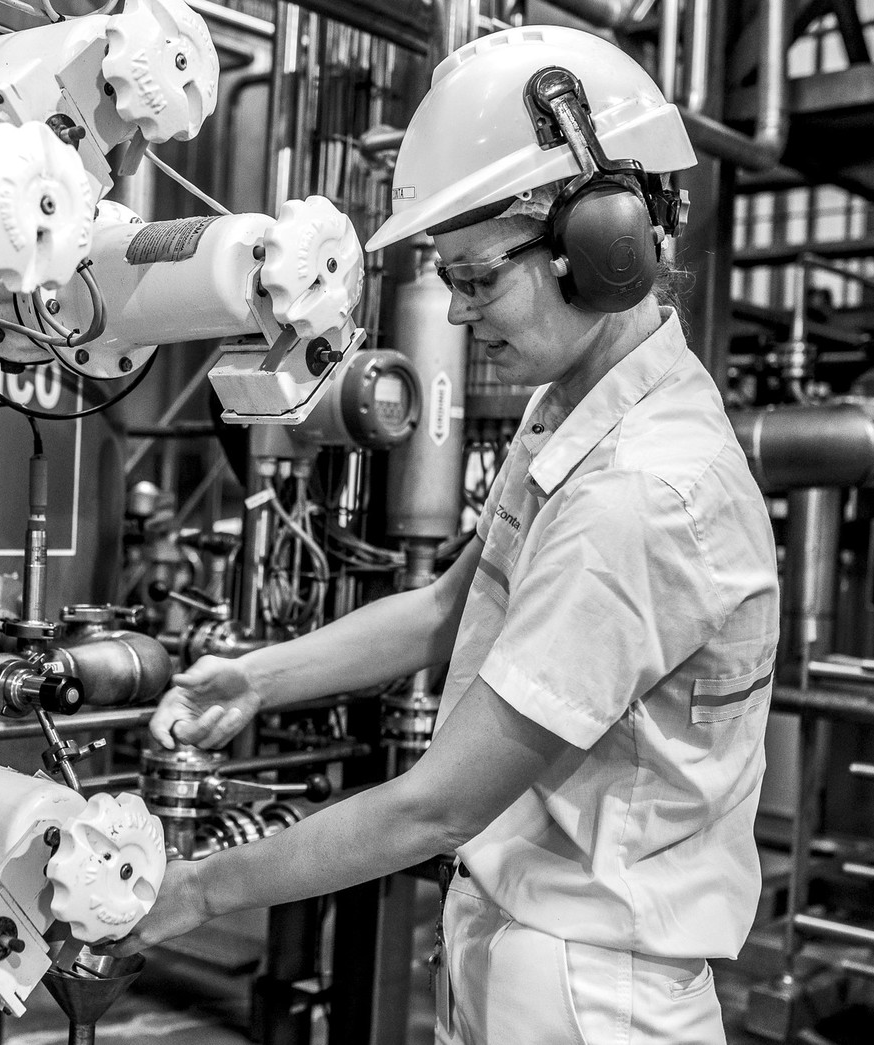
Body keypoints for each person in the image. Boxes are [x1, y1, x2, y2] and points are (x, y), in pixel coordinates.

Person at [104, 25, 779, 1045]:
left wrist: (198, 890)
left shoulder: (641, 493)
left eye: (474, 278)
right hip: (514, 950)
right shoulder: (576, 413)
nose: (456, 316)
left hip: (593, 997)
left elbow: (432, 807)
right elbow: (445, 606)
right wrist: (256, 677)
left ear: (602, 249)